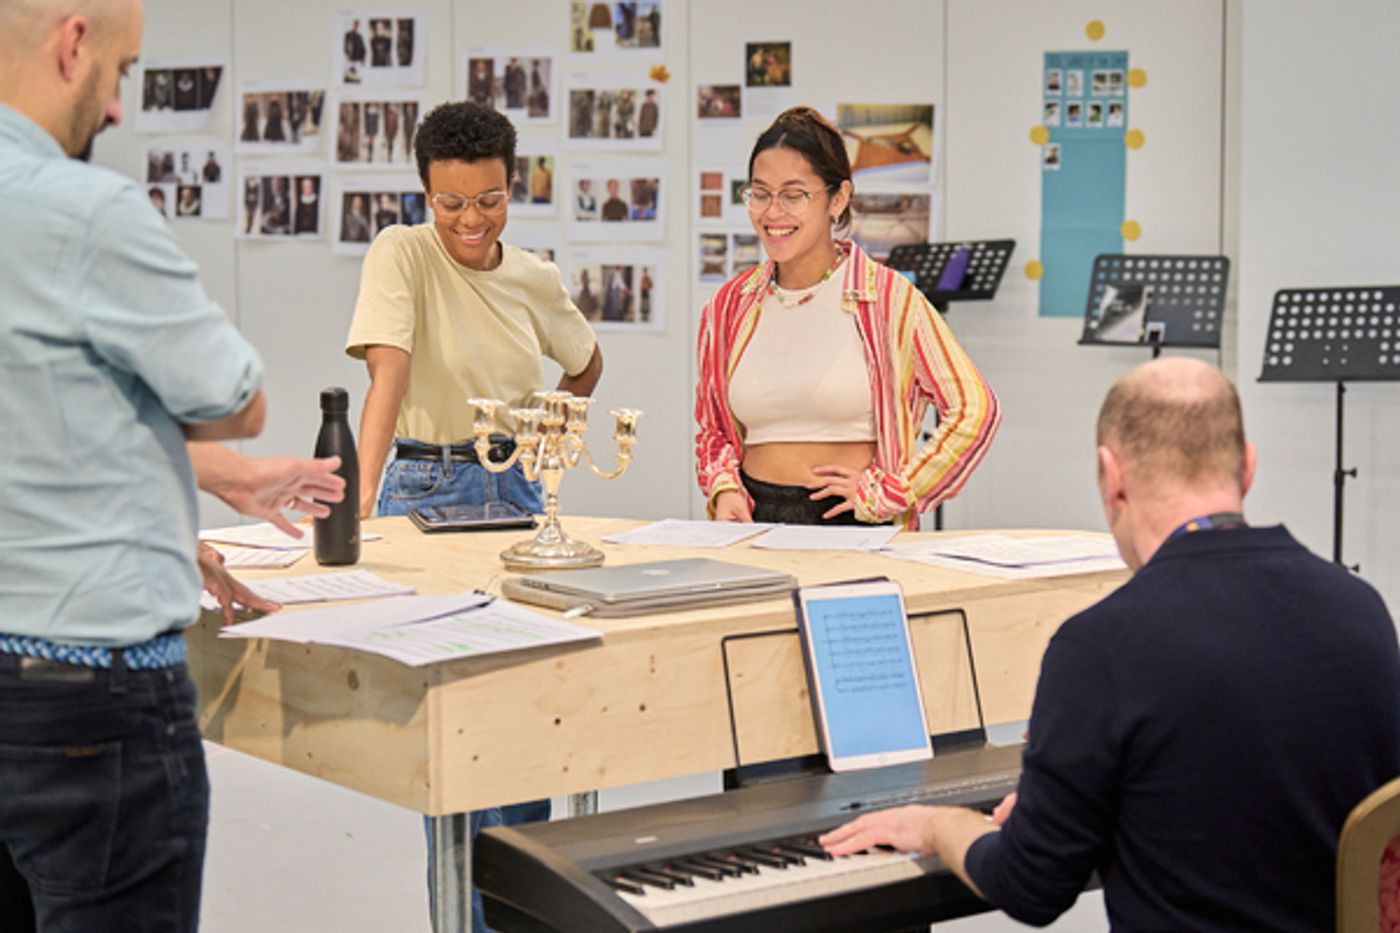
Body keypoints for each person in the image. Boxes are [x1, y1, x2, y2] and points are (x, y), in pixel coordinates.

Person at [821, 357, 1400, 930]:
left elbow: (1031, 887)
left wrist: (935, 825)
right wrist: (1074, 805)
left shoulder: (1100, 645)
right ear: (1247, 469)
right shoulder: (1361, 610)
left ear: (1112, 475)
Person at [0, 1, 339, 928]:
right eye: (121, 71)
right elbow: (233, 394)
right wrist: (211, 454)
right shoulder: (83, 211)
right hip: (90, 708)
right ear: (73, 42)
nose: (116, 108)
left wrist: (206, 486)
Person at [344, 100, 602, 933]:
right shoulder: (402, 252)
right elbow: (386, 376)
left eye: (488, 199)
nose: (469, 219)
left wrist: (549, 431)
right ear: (425, 193)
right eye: (450, 202)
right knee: (454, 740)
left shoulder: (535, 277)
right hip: (422, 491)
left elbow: (587, 362)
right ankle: (466, 921)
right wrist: (358, 508)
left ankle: (518, 914)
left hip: (518, 495)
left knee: (527, 721)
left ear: (511, 186)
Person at [696, 106, 999, 528]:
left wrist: (896, 492)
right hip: (753, 522)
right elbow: (713, 428)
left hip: (854, 522)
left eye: (793, 194)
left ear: (837, 199)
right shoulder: (729, 305)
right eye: (760, 193)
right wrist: (725, 488)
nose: (771, 212)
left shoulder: (889, 299)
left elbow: (975, 409)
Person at [343, 18, 366, 82]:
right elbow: (345, 47)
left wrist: (363, 59)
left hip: (358, 60)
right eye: (355, 24)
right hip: (350, 60)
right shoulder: (348, 35)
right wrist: (348, 56)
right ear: (352, 25)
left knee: (357, 78)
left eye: (357, 25)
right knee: (348, 77)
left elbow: (363, 49)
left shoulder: (360, 36)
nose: (356, 26)